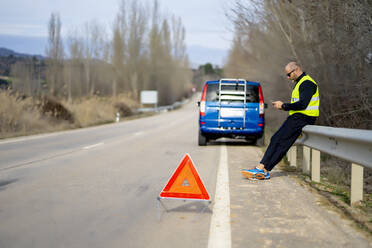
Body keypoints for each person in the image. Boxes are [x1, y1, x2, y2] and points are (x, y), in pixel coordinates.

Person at [241, 62, 320, 180]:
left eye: (289, 74)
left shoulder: (306, 83)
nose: (288, 77)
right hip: (300, 118)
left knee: (276, 139)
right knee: (282, 144)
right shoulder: (301, 82)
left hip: (301, 118)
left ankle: (260, 168)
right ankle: (265, 171)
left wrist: (283, 106)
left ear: (296, 69)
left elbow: (303, 104)